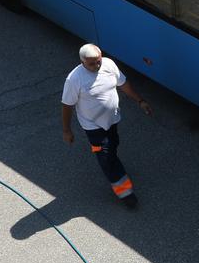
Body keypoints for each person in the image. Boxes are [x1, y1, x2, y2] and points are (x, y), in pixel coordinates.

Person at [61, 43, 152, 210]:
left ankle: (114, 164)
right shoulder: (74, 79)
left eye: (98, 61)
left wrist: (140, 101)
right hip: (93, 128)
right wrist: (67, 130)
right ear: (82, 62)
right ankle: (125, 193)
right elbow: (67, 105)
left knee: (113, 147)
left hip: (112, 121)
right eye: (91, 63)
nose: (96, 65)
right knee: (106, 157)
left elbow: (123, 84)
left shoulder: (108, 64)